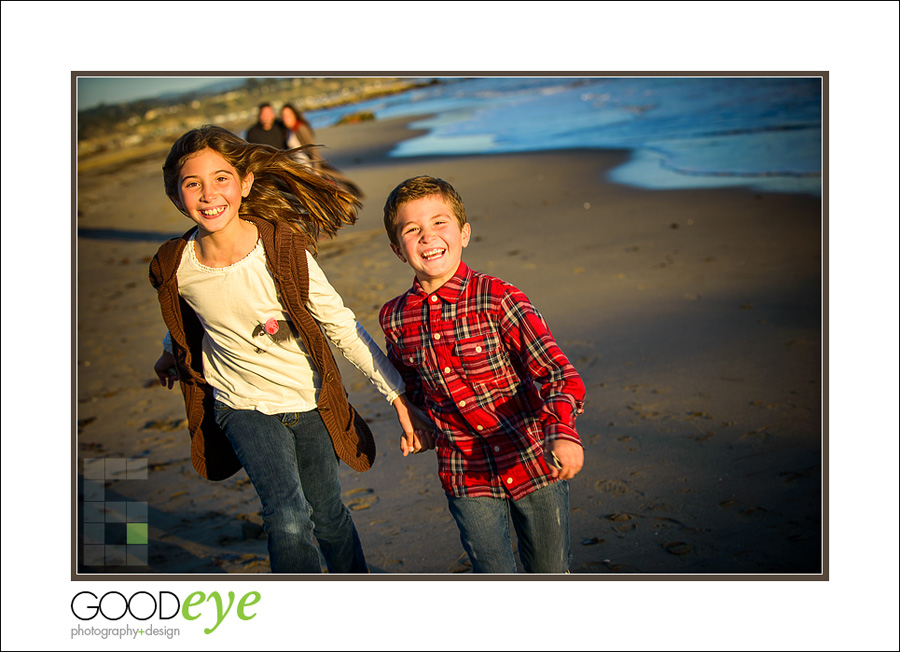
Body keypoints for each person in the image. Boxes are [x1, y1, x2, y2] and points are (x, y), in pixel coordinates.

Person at [148, 125, 431, 574]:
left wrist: (396, 395)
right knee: (288, 516)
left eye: (221, 178)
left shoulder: (281, 246)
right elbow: (187, 318)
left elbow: (339, 323)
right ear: (176, 194)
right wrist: (169, 352)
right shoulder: (175, 264)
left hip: (309, 398)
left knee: (329, 516)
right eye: (192, 183)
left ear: (244, 184)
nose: (208, 193)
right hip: (240, 405)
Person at [378, 176, 586, 574]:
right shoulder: (395, 317)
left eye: (440, 223)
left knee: (551, 571)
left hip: (533, 458)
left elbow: (557, 373)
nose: (428, 237)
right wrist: (418, 424)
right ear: (397, 250)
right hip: (464, 471)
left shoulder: (497, 297)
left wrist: (561, 429)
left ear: (464, 233)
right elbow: (413, 385)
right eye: (412, 230)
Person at [280, 103, 365, 200]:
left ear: (294, 115)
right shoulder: (288, 131)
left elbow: (313, 148)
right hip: (300, 167)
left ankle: (348, 196)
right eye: (283, 116)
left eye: (288, 115)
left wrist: (316, 169)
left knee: (329, 185)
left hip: (309, 165)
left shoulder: (300, 128)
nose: (285, 118)